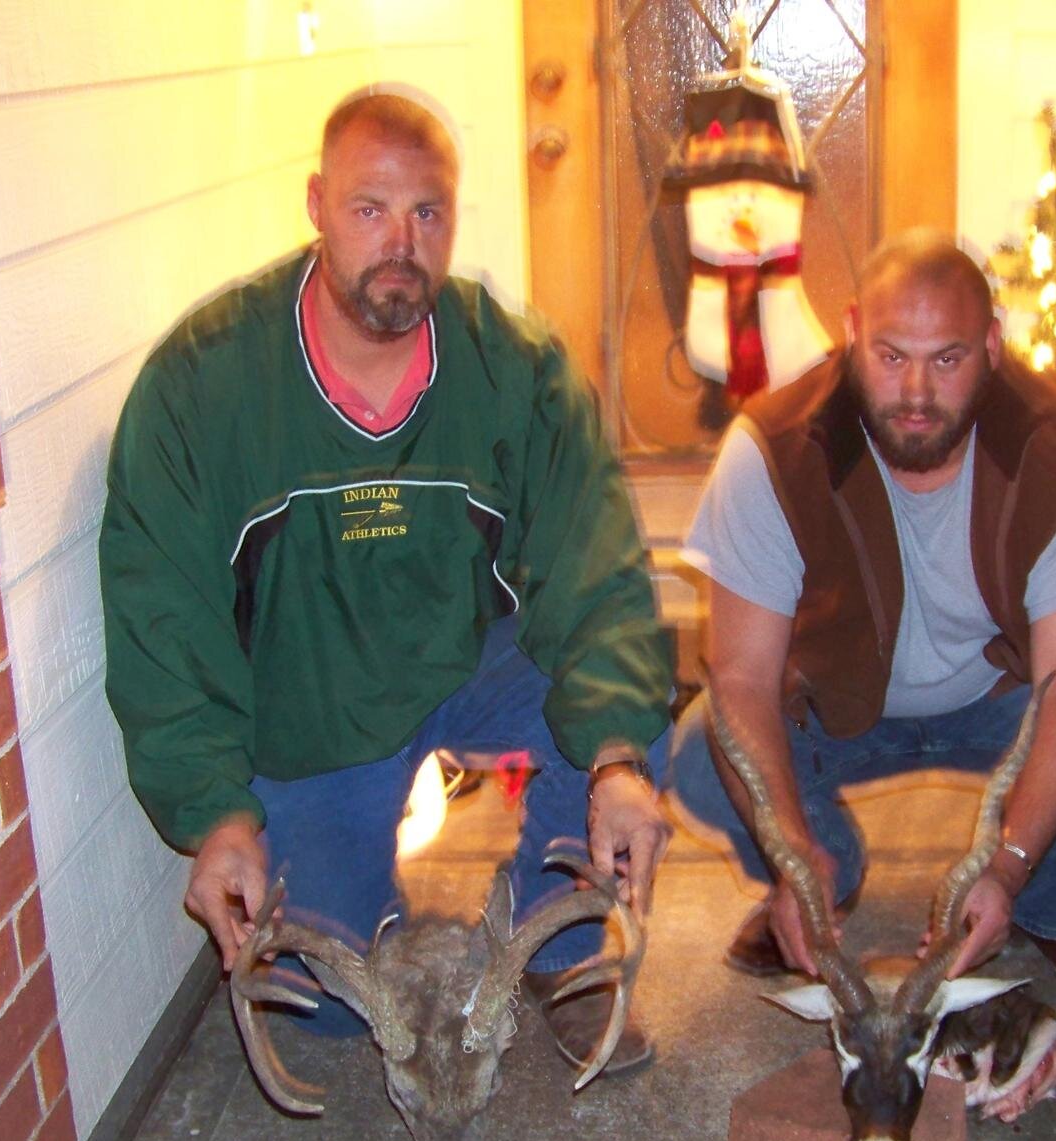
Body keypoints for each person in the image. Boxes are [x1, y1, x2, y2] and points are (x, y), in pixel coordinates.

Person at [100, 90, 673, 1074]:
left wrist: (617, 763)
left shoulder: (517, 369)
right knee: (332, 1008)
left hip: (468, 678)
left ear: (456, 218)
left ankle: (562, 953)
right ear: (317, 205)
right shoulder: (203, 387)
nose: (401, 242)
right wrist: (216, 815)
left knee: (619, 714)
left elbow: (597, 569)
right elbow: (165, 623)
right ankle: (377, 841)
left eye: (429, 214)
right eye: (370, 210)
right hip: (309, 726)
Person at [669, 230, 1056, 994]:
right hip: (834, 706)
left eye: (947, 359)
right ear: (850, 335)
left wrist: (1007, 870)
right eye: (890, 357)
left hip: (1001, 698)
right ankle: (821, 882)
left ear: (991, 344)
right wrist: (789, 851)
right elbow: (743, 681)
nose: (916, 393)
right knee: (700, 749)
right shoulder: (773, 448)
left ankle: (1051, 906)